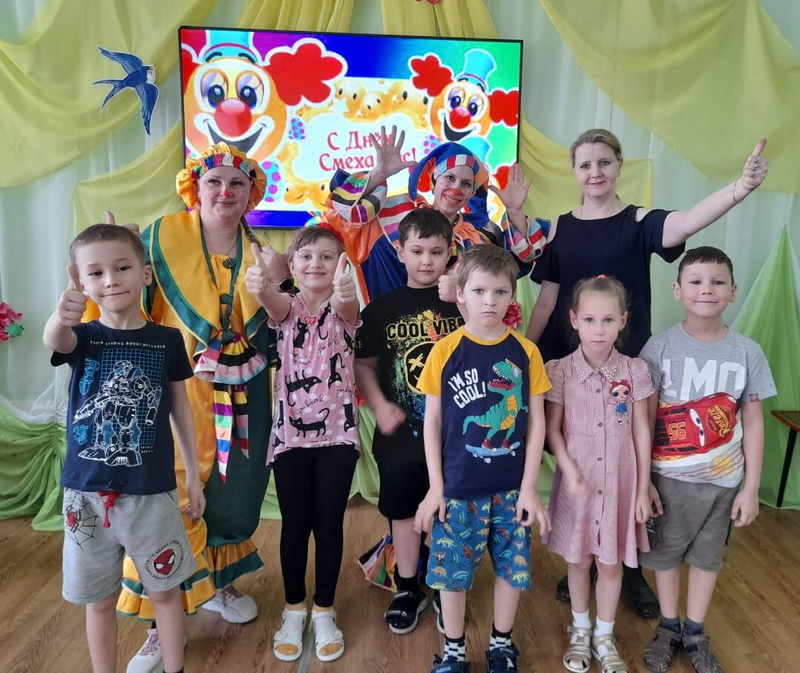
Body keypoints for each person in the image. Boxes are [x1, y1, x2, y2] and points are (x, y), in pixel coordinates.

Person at [526, 129, 769, 616]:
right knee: (581, 464)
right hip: (569, 368)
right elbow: (548, 300)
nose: (595, 172)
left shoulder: (639, 221)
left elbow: (689, 220)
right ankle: (584, 559)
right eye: (585, 164)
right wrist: (526, 354)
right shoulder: (559, 229)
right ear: (574, 172)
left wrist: (740, 189)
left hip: (625, 369)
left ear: (619, 165)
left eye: (604, 162)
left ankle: (628, 567)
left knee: (629, 464)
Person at [121, 143, 276, 673]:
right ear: (195, 187)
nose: (225, 192)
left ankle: (217, 584)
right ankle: (157, 624)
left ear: (251, 193)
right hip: (178, 391)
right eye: (214, 182)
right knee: (170, 502)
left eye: (237, 183)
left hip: (244, 394)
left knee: (233, 494)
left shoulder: (262, 252)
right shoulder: (159, 240)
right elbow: (130, 310)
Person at [44, 224, 206, 673]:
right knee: (99, 602)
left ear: (145, 273)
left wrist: (193, 475)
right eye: (95, 273)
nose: (111, 280)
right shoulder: (83, 336)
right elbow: (56, 340)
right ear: (80, 281)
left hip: (151, 493)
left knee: (165, 593)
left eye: (121, 268)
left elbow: (180, 410)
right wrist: (61, 314)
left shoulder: (167, 340)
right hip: (85, 495)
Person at [637, 247, 776, 673]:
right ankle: (668, 626)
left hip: (724, 484)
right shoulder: (659, 347)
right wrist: (644, 482)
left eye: (717, 282)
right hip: (669, 479)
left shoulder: (747, 351)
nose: (706, 290)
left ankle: (695, 631)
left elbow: (753, 422)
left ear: (732, 291)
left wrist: (751, 487)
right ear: (677, 290)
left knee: (707, 558)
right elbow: (644, 420)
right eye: (696, 281)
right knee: (665, 555)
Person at [414, 245, 551, 673]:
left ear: (512, 295)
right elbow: (432, 424)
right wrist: (435, 488)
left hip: (512, 490)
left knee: (512, 570)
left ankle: (501, 644)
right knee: (452, 574)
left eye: (500, 292)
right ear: (461, 294)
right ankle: (454, 650)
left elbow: (537, 424)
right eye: (479, 291)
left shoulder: (526, 353)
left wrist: (530, 487)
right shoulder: (444, 351)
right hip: (458, 489)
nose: (489, 301)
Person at [246, 225, 361, 663]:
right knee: (295, 526)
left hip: (339, 436)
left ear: (341, 265)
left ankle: (325, 609)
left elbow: (348, 306)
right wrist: (262, 285)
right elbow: (271, 301)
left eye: (327, 257)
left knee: (328, 526)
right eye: (307, 256)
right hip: (290, 438)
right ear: (292, 266)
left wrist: (346, 291)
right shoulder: (286, 307)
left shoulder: (345, 307)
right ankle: (294, 609)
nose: (317, 264)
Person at [354, 208, 465, 635]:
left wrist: (462, 297)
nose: (426, 260)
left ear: (450, 252)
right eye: (417, 251)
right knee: (403, 512)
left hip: (456, 436)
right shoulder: (381, 309)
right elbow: (363, 365)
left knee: (450, 511)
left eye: (436, 252)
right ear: (399, 251)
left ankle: (446, 587)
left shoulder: (465, 304)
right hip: (401, 437)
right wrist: (380, 404)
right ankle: (406, 588)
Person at [543, 276, 654, 673]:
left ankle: (604, 637)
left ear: (622, 321)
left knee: (610, 564)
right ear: (574, 319)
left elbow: (641, 430)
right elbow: (552, 430)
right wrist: (568, 468)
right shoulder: (560, 371)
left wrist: (643, 488)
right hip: (580, 483)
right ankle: (580, 629)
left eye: (608, 320)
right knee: (579, 561)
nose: (598, 329)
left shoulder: (635, 371)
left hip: (620, 483)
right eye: (589, 320)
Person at [325, 126, 549, 304]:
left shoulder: (481, 235)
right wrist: (378, 174)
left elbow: (516, 264)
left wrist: (514, 212)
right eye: (449, 178)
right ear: (434, 180)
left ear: (471, 193)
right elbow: (342, 215)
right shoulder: (395, 215)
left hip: (456, 339)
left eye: (466, 184)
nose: (456, 188)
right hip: (394, 332)